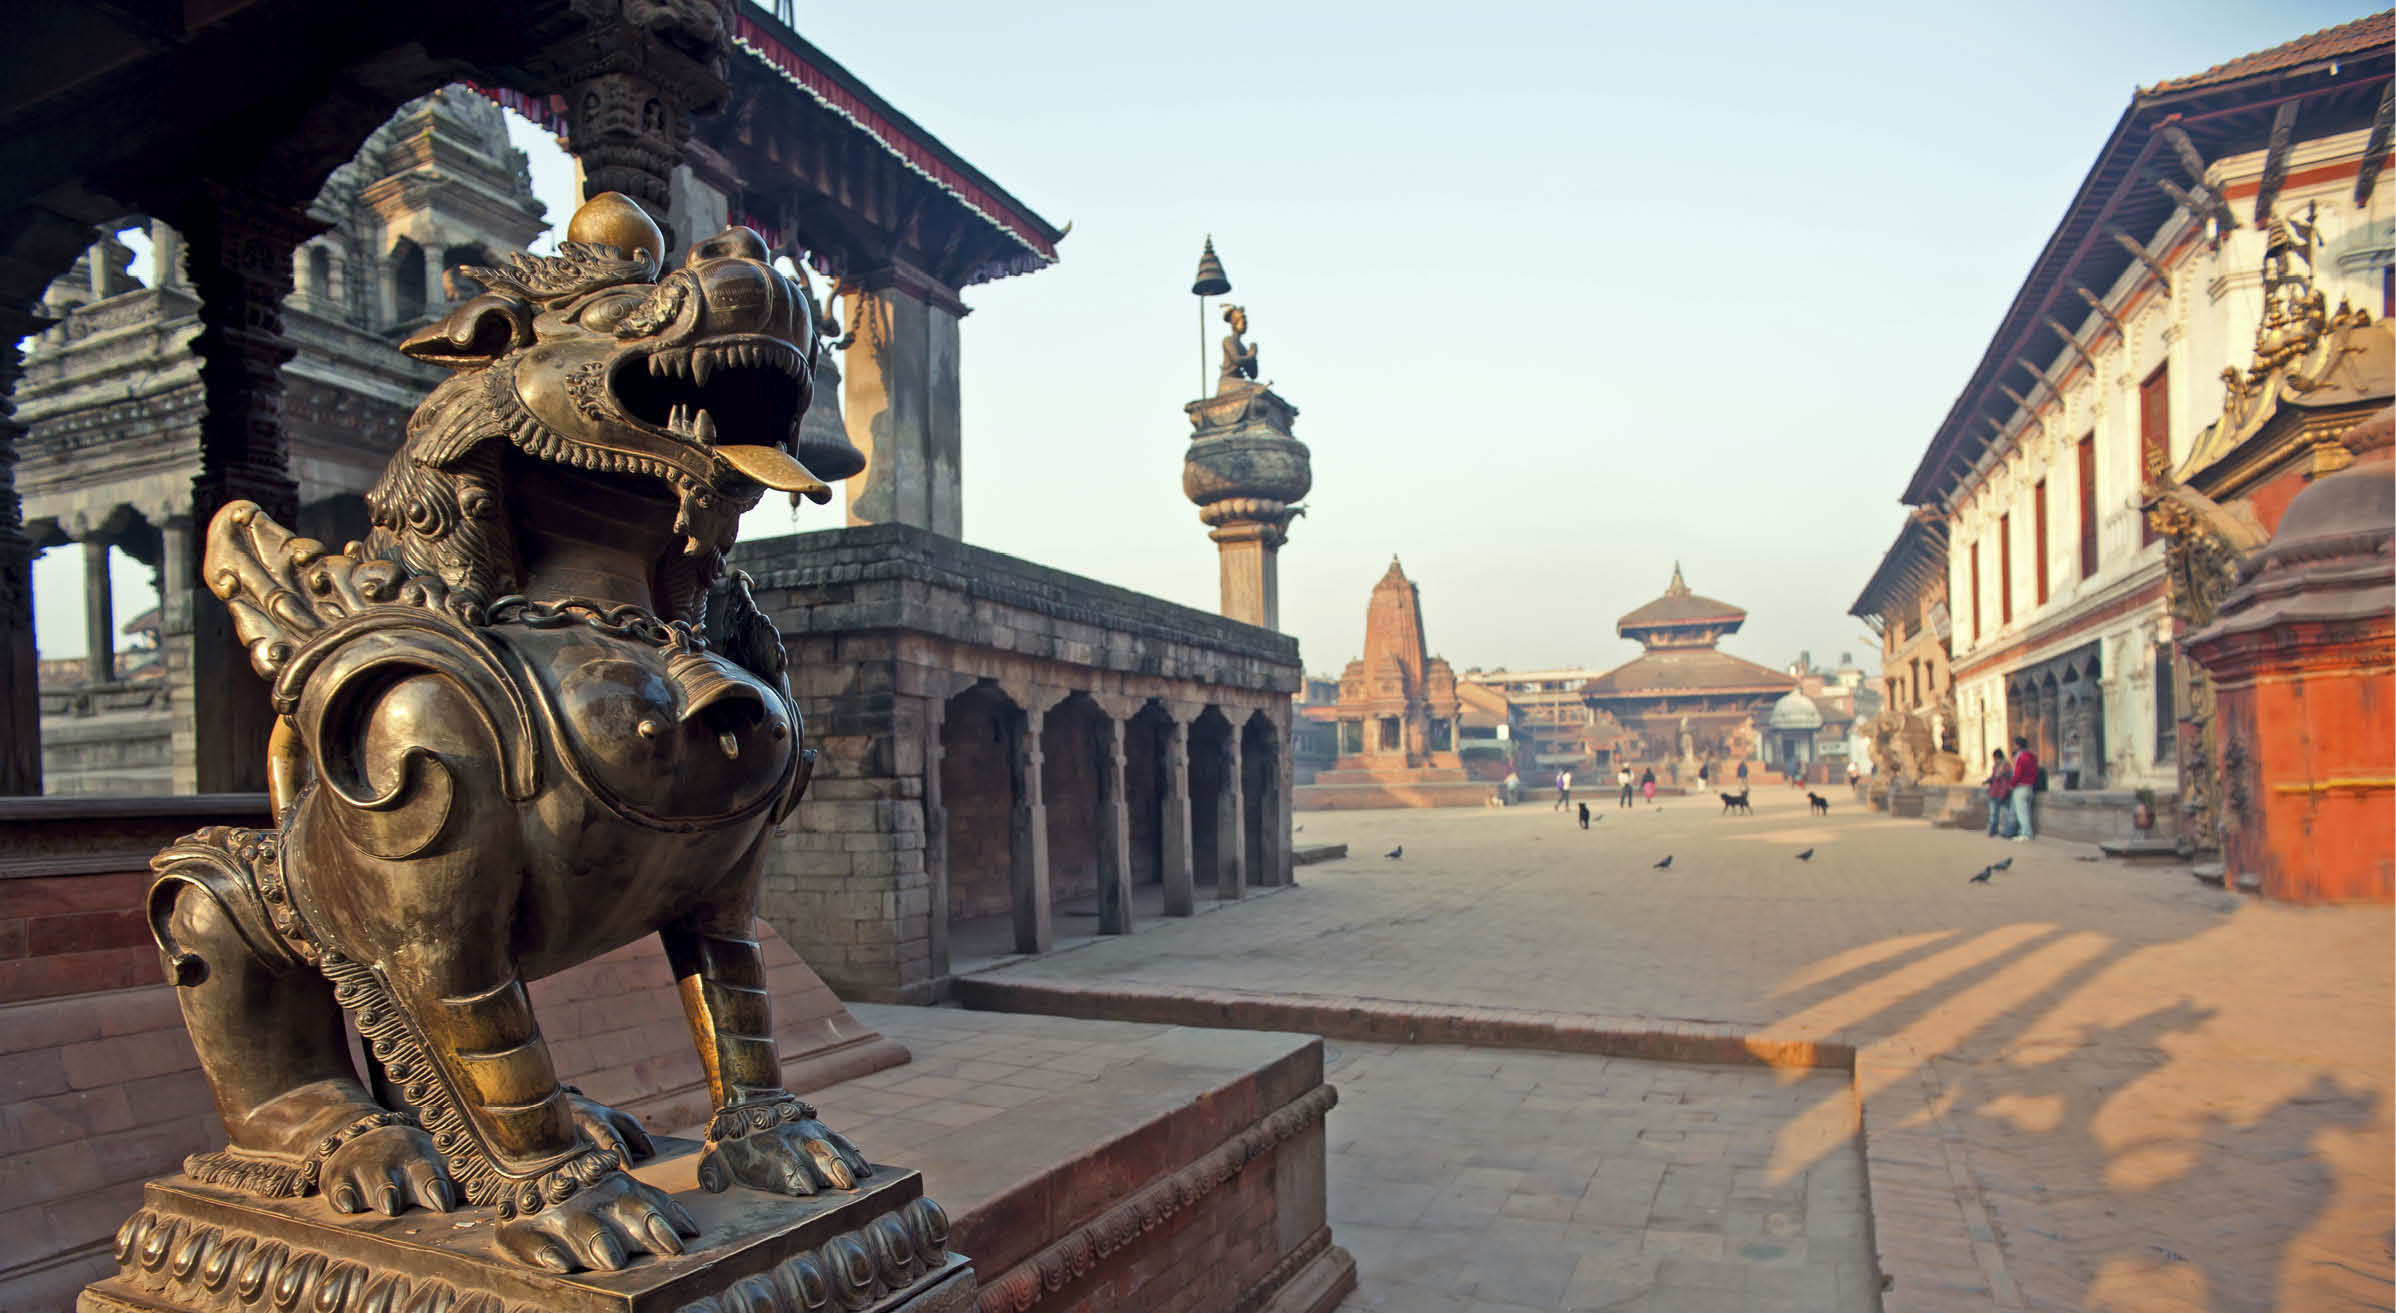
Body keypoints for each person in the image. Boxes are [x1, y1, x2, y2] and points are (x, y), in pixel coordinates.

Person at [2010, 736, 2039, 841]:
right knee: (2027, 812)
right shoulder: (2033, 756)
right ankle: (2026, 832)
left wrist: (2011, 784)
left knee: (2022, 812)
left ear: (2018, 746)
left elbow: (2018, 774)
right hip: (2030, 786)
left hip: (2021, 787)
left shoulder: (2021, 757)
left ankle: (2026, 833)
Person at [1984, 748, 2016, 838]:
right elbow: (1994, 777)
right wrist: (1988, 781)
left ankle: (2008, 831)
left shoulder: (2006, 767)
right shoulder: (1996, 766)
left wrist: (2004, 793)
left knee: (2005, 813)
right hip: (1994, 792)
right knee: (1994, 813)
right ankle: (1993, 829)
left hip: (2002, 793)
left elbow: (2005, 782)